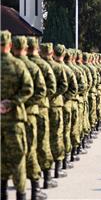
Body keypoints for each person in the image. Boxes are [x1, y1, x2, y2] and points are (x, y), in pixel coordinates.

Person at [12, 36, 48, 200]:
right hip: (33, 112)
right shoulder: (36, 67)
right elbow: (44, 90)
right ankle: (35, 189)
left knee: (11, 152)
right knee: (33, 147)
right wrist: (27, 103)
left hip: (9, 115)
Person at [1, 31, 34, 200]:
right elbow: (29, 89)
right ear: (10, 46)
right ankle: (21, 195)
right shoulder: (18, 66)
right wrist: (12, 103)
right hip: (14, 121)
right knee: (18, 160)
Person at [27, 37, 58, 189]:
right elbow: (50, 88)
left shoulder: (21, 64)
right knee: (44, 141)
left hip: (18, 111)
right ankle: (44, 180)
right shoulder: (45, 66)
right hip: (42, 109)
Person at [40, 43, 69, 179]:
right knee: (57, 135)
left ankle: (41, 171)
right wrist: (56, 96)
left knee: (41, 138)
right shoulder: (58, 68)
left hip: (39, 106)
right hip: (56, 105)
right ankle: (56, 170)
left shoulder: (36, 66)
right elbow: (64, 86)